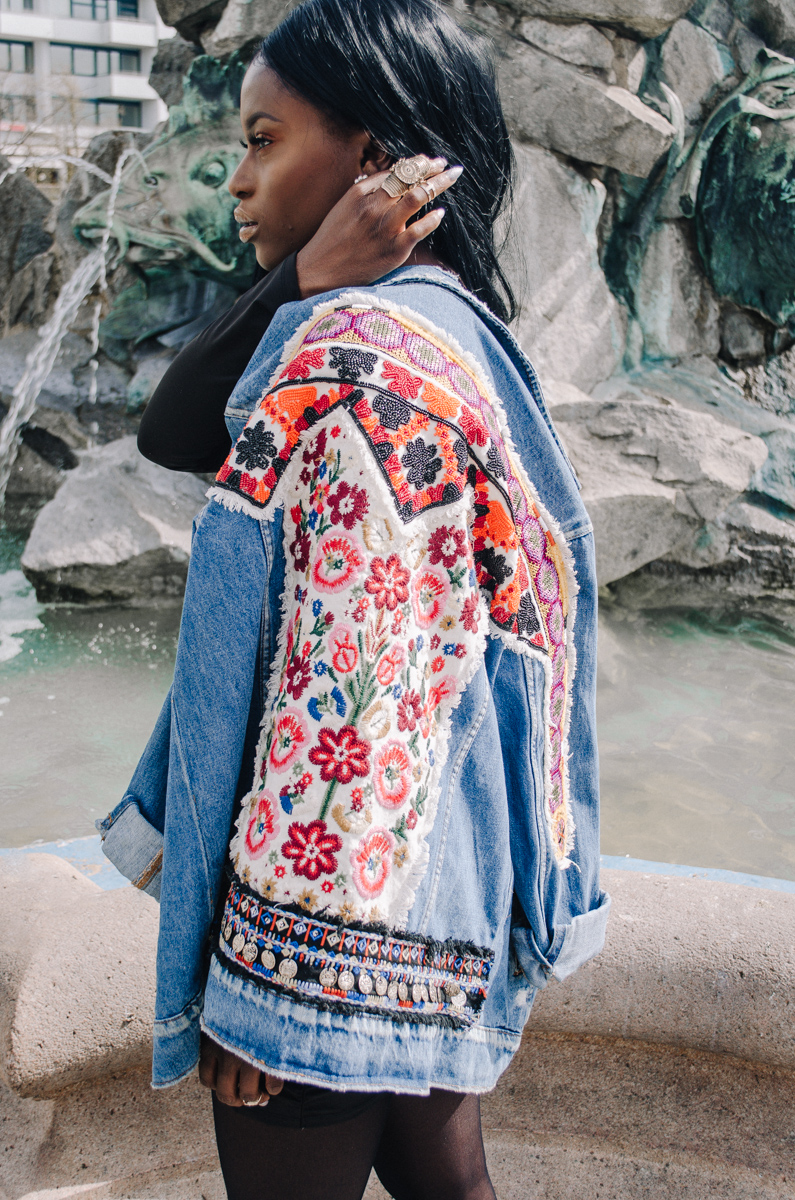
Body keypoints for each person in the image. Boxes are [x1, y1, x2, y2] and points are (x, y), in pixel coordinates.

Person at [101, 1, 610, 1196]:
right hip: (455, 891)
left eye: (266, 138)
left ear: (376, 161)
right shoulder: (461, 340)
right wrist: (310, 271)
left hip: (336, 936)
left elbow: (355, 691)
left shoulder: (353, 368)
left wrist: (268, 989)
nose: (236, 178)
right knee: (451, 1184)